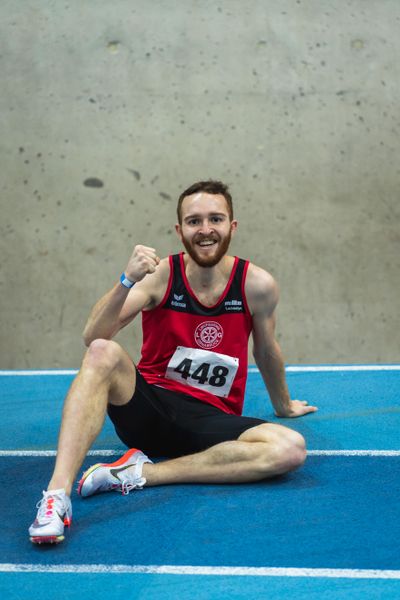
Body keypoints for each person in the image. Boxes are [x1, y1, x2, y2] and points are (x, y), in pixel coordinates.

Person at [29, 180, 317, 544]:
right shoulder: (162, 275)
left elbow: (266, 349)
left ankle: (140, 474)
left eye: (216, 218)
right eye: (194, 221)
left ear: (232, 226)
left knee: (290, 449)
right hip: (150, 408)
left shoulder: (256, 284)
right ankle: (56, 497)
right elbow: (93, 335)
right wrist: (126, 280)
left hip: (210, 423)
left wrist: (284, 405)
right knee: (102, 352)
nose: (206, 229)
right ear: (180, 230)